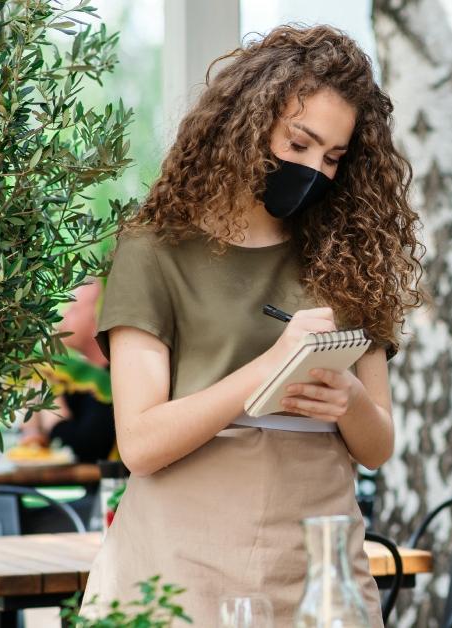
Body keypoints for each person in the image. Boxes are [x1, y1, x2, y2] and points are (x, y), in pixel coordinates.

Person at [82, 25, 421, 626]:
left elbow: (378, 447)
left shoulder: (351, 255)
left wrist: (348, 401)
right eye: (300, 143)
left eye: (334, 158)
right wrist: (271, 366)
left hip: (318, 562)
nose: (315, 168)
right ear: (246, 123)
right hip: (179, 560)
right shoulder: (153, 249)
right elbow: (138, 445)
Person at [21, 280, 117, 463]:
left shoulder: (111, 380)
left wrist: (52, 413)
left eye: (73, 309)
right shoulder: (80, 379)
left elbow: (89, 448)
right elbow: (38, 438)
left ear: (97, 317)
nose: (64, 316)